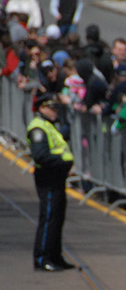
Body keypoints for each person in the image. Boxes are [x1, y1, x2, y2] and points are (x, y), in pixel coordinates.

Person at [27, 92, 75, 272]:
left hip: (57, 177)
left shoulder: (50, 125)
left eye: (56, 107)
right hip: (47, 177)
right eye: (51, 108)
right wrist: (63, 161)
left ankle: (55, 256)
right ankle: (42, 258)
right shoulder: (38, 127)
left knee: (57, 218)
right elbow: (40, 156)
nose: (55, 111)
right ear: (41, 108)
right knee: (48, 218)